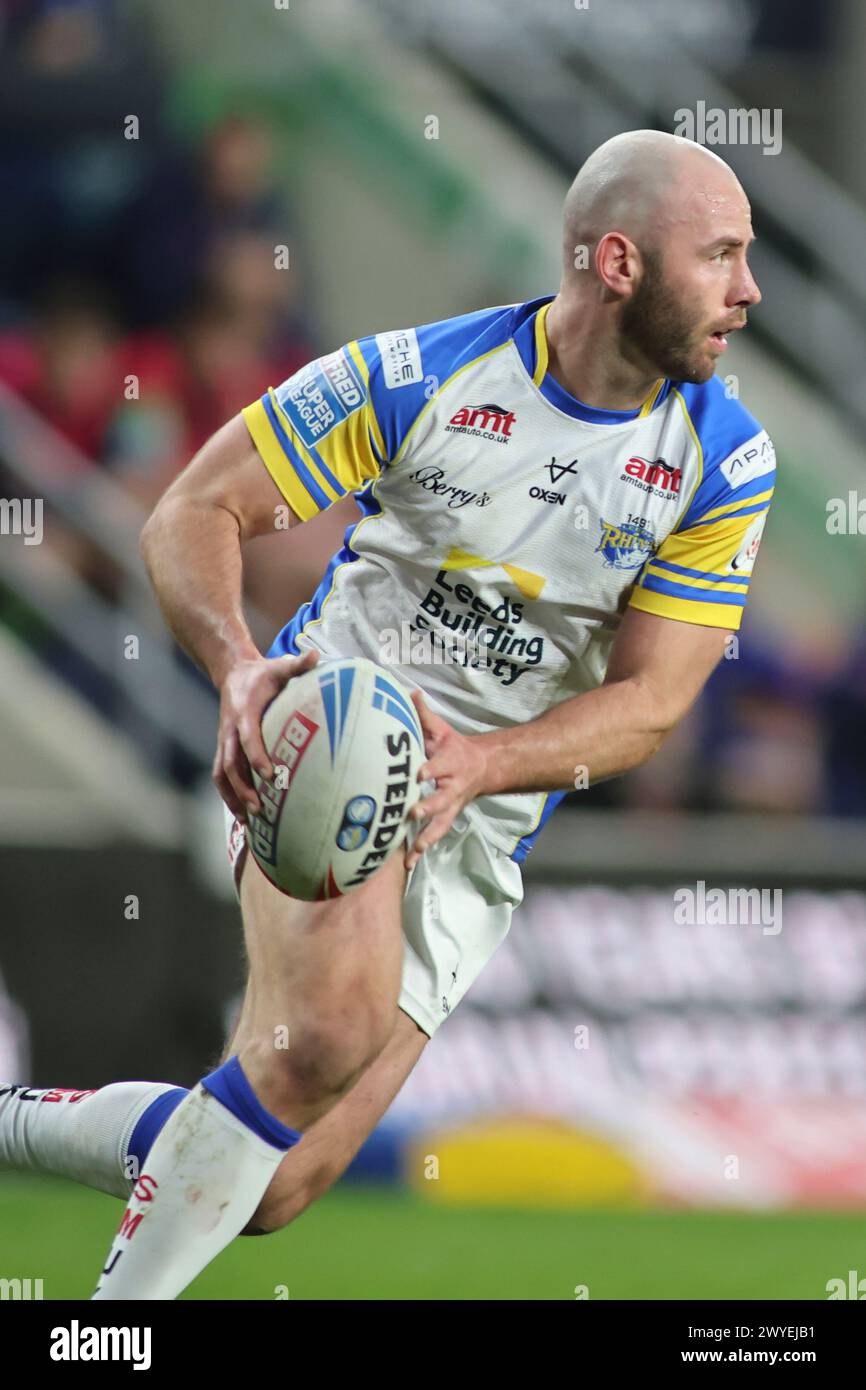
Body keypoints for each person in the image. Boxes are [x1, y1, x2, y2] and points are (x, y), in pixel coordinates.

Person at [0, 130, 774, 1299]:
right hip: (335, 743)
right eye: (719, 256)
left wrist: (480, 767)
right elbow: (192, 510)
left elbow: (649, 705)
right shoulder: (420, 375)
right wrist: (238, 669)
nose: (748, 292)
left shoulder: (723, 460)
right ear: (619, 261)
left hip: (482, 813)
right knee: (322, 1037)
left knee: (270, 1184)